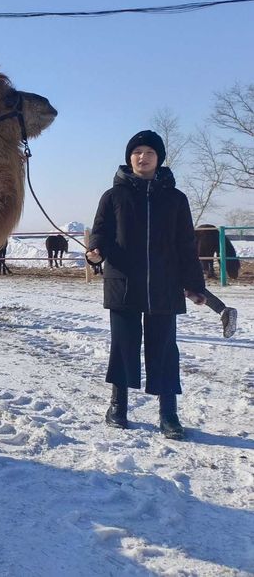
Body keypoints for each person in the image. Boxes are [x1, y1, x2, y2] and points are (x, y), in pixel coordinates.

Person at [85, 130, 206, 440]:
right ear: (129, 158)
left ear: (159, 159)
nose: (143, 157)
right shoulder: (113, 196)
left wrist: (194, 284)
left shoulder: (175, 199)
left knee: (165, 349)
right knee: (124, 345)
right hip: (124, 281)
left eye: (149, 152)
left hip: (165, 285)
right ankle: (118, 407)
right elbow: (100, 232)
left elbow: (185, 244)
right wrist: (95, 252)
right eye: (137, 151)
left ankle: (169, 414)